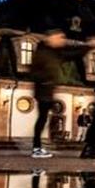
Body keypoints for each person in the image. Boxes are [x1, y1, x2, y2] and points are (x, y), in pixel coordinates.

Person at [29, 28, 67, 158]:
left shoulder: (53, 53)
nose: (62, 41)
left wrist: (89, 47)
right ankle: (36, 148)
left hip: (47, 90)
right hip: (43, 90)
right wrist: (46, 80)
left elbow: (72, 55)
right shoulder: (42, 52)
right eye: (60, 38)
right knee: (42, 118)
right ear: (51, 38)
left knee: (45, 118)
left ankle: (38, 146)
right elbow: (34, 72)